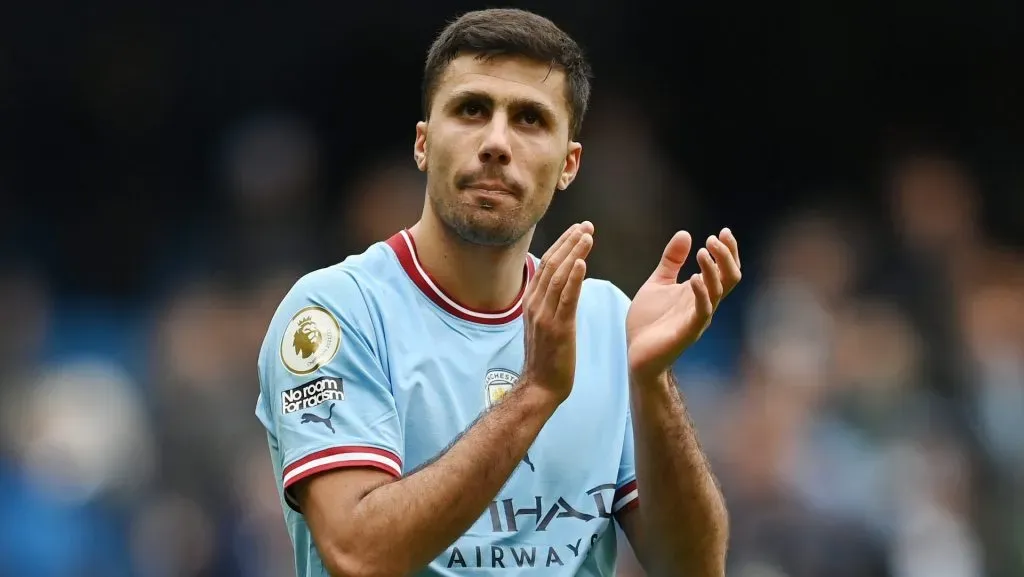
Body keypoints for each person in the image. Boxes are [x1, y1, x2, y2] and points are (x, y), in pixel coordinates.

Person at [255, 8, 740, 576]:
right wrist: (535, 393)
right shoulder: (334, 314)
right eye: (471, 110)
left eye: (530, 119)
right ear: (423, 143)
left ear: (569, 165)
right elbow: (358, 553)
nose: (496, 142)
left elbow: (694, 568)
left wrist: (652, 383)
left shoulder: (608, 321)